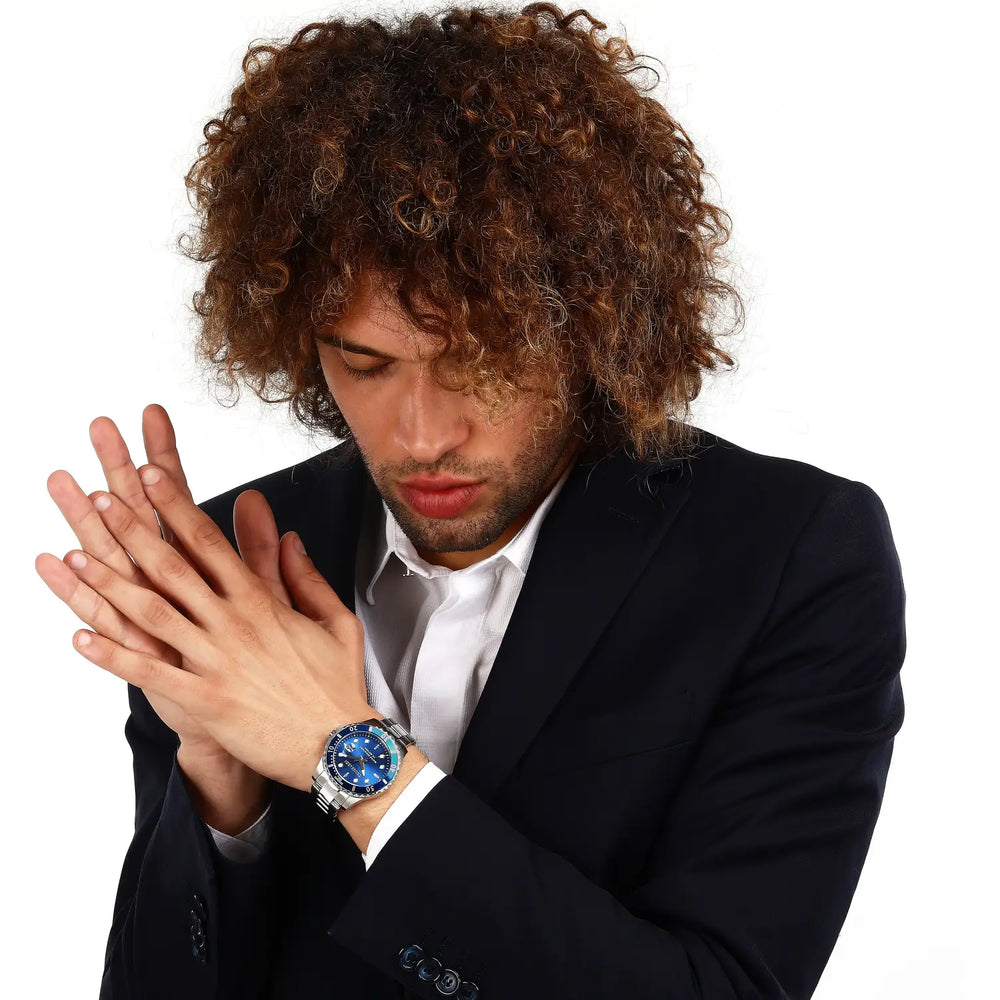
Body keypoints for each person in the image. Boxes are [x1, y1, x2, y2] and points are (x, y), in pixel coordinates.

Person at [35, 4, 906, 998]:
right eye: (365, 364)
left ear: (590, 327)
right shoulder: (230, 573)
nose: (420, 434)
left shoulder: (785, 554)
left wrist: (338, 752)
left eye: (483, 364)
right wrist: (220, 781)